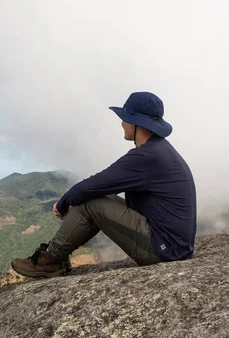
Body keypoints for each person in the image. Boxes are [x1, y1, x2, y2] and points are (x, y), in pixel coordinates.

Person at [11, 91, 197, 278]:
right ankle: (56, 256)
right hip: (174, 246)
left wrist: (62, 204)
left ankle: (51, 260)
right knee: (97, 197)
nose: (122, 123)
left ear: (135, 123)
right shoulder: (159, 150)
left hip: (165, 250)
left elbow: (88, 187)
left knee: (90, 201)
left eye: (124, 118)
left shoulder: (147, 156)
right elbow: (98, 186)